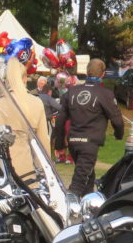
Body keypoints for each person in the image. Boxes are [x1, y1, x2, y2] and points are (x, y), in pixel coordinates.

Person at [53, 58, 124, 195]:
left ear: (86, 72)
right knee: (78, 184)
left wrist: (59, 144)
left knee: (88, 178)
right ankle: (68, 205)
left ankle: (88, 204)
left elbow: (60, 120)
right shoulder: (105, 94)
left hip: (73, 142)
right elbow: (117, 120)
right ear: (103, 74)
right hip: (90, 143)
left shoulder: (71, 92)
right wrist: (118, 134)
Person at [0, 58, 51, 179]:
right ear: (24, 79)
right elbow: (43, 143)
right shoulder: (36, 102)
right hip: (26, 166)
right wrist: (45, 171)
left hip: (3, 166)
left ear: (6, 79)